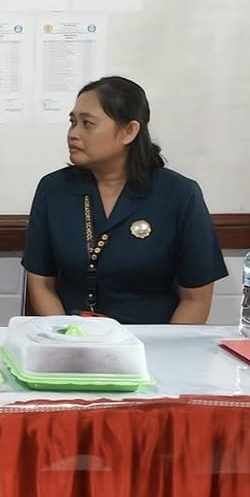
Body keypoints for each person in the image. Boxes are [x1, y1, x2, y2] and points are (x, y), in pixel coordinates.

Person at [23, 76, 227, 324]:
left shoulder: (180, 195)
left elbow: (195, 300)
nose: (73, 134)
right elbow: (41, 284)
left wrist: (164, 347)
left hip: (152, 341)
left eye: (87, 124)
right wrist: (66, 335)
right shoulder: (54, 190)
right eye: (72, 122)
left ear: (129, 131)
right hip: (72, 336)